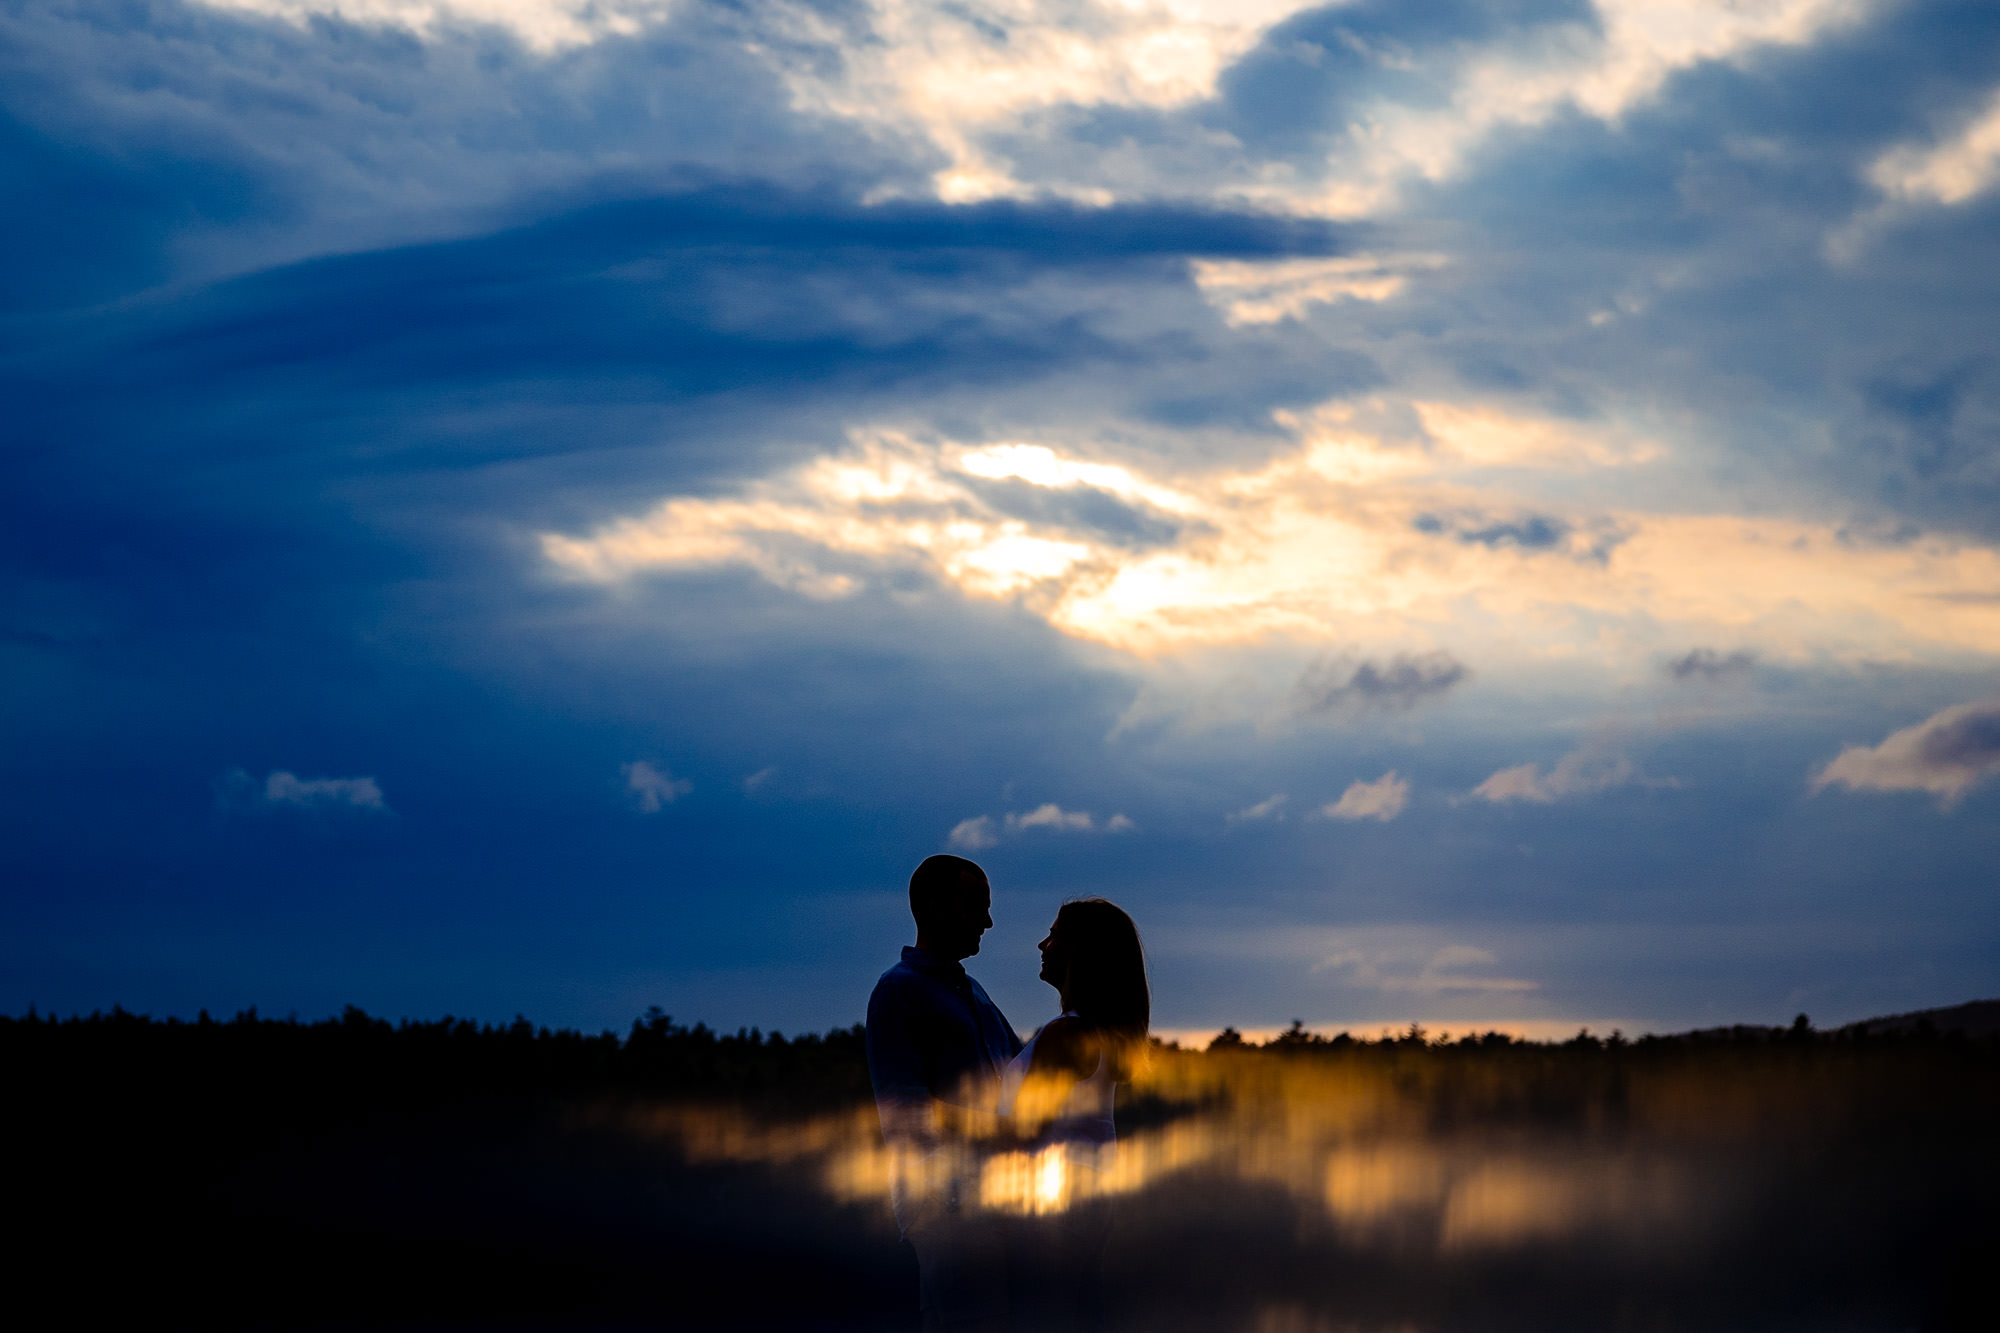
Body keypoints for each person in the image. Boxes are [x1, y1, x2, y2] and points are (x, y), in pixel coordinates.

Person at [866, 854, 1024, 1332]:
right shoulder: (899, 992)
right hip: (948, 1208)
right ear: (935, 907)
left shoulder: (974, 992)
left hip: (993, 1204)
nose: (989, 922)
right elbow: (904, 1111)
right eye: (976, 906)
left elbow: (1020, 1077)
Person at [999, 897, 1150, 1331]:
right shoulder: (1095, 1036)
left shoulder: (1067, 1035)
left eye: (1055, 934)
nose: (1042, 945)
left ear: (1081, 950)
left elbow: (1019, 1129)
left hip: (1052, 1206)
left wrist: (933, 1114)